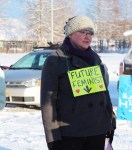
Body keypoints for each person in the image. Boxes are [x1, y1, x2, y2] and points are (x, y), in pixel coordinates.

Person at [41, 15, 114, 150]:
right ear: (70, 34)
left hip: (97, 130)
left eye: (90, 33)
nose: (87, 37)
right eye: (82, 32)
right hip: (70, 133)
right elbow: (47, 104)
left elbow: (103, 92)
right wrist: (53, 137)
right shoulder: (55, 60)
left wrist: (109, 121)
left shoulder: (94, 58)